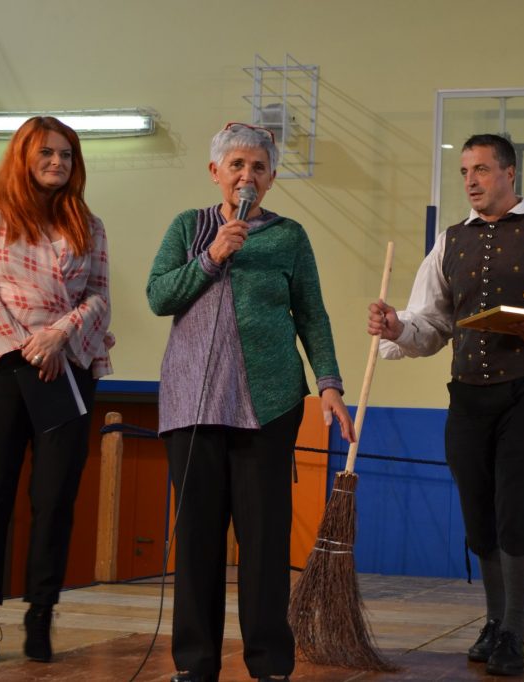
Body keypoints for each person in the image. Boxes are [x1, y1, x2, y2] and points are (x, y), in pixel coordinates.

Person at [367, 133, 524, 676]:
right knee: (478, 512)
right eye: (464, 172)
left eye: (480, 169)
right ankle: (495, 621)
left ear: (509, 173)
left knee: (519, 509)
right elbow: (432, 324)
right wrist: (397, 327)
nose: (470, 181)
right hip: (469, 392)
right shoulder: (451, 240)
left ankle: (514, 632)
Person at [147, 122, 355, 682]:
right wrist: (212, 255)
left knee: (264, 542)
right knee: (197, 541)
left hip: (268, 404)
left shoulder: (289, 237)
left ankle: (270, 666)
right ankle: (195, 666)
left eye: (259, 167)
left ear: (272, 178)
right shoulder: (189, 227)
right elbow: (158, 295)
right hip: (193, 405)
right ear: (215, 172)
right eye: (237, 165)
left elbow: (311, 313)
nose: (247, 175)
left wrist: (329, 384)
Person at [0, 116, 114, 664]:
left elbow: (99, 297)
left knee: (55, 499)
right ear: (23, 156)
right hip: (1, 367)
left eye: (67, 155)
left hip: (66, 365)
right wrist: (27, 347)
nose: (57, 162)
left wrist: (58, 337)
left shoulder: (89, 225)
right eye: (47, 152)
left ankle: (41, 613)